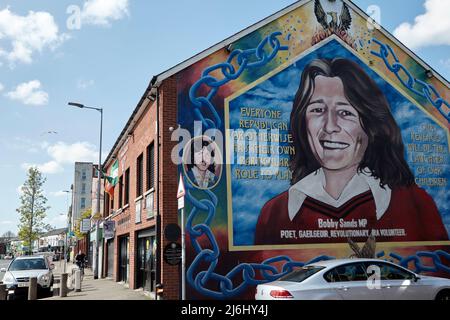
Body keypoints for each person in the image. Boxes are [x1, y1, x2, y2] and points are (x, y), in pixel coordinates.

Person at [254, 58, 448, 245]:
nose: (330, 127)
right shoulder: (275, 213)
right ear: (302, 122)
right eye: (317, 110)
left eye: (345, 112)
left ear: (370, 125)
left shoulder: (414, 204)